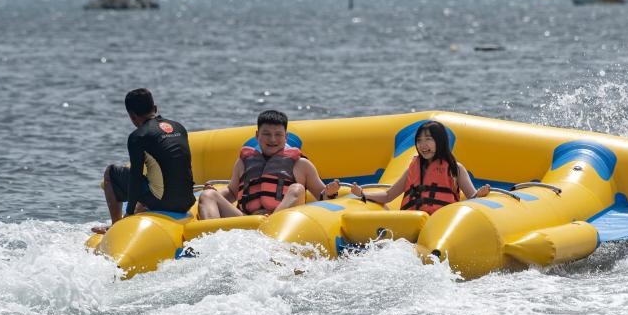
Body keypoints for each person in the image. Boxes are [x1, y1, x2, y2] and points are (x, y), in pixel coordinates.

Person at [197, 110, 339, 219]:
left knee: (297, 188)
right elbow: (233, 192)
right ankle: (211, 237)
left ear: (286, 137)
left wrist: (329, 192)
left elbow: (322, 198)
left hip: (280, 222)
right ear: (257, 135)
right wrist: (216, 193)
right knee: (207, 195)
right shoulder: (243, 162)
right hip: (246, 220)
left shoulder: (302, 164)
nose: (272, 139)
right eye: (266, 134)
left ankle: (271, 225)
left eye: (278, 134)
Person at [93, 88, 195, 234]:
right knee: (152, 181)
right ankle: (139, 213)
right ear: (155, 108)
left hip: (164, 202)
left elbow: (135, 177)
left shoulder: (138, 136)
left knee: (111, 172)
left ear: (132, 116)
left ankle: (116, 228)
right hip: (187, 202)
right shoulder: (179, 127)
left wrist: (128, 213)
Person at [348, 120, 490, 214]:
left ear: (440, 142)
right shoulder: (413, 168)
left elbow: (472, 197)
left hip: (440, 221)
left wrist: (480, 194)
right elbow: (388, 195)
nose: (423, 145)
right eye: (419, 141)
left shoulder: (455, 169)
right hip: (412, 221)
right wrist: (362, 194)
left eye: (428, 139)